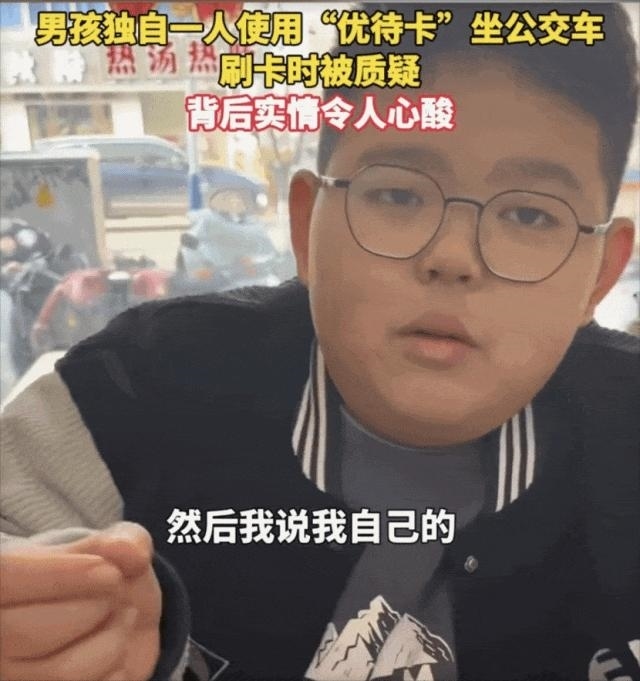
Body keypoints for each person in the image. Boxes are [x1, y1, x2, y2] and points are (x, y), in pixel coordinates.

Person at [1, 3, 639, 680]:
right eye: (398, 196)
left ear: (601, 274)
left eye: (531, 214)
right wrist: (50, 614)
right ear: (306, 227)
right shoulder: (128, 397)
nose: (453, 256)